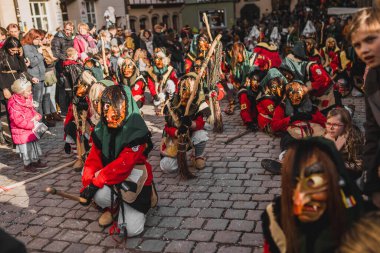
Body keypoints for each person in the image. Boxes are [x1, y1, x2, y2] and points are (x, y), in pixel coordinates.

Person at [261, 137, 364, 253]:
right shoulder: (276, 218)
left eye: (312, 184)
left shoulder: (358, 219)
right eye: (294, 183)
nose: (301, 198)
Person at [80, 84, 156, 236]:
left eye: (114, 115)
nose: (109, 119)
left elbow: (124, 164)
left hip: (132, 177)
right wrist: (88, 184)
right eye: (106, 114)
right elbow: (93, 159)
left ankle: (140, 203)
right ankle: (113, 206)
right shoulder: (103, 127)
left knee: (130, 230)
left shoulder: (136, 128)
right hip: (111, 174)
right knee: (97, 191)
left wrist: (97, 181)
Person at [348, 7, 380, 208]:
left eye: (370, 40)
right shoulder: (372, 79)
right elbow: (373, 130)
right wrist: (368, 177)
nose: (364, 50)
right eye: (357, 45)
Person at [160, 72, 211, 172]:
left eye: (190, 91)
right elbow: (167, 127)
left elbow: (200, 124)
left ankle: (197, 156)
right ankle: (177, 158)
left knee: (201, 134)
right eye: (184, 89)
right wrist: (177, 132)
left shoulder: (201, 104)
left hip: (190, 135)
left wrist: (190, 123)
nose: (186, 94)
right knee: (167, 167)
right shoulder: (171, 105)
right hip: (174, 138)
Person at [0, 37, 38, 145]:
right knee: (12, 114)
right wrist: (4, 88)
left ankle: (25, 136)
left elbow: (23, 69)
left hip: (17, 84)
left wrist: (21, 56)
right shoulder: (1, 54)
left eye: (16, 50)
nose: (14, 52)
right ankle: (15, 141)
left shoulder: (18, 54)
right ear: (7, 47)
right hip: (5, 84)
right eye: (12, 50)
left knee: (23, 111)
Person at [8, 78, 48, 173]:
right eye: (28, 91)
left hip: (30, 129)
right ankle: (27, 164)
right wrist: (31, 125)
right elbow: (17, 121)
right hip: (22, 131)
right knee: (26, 149)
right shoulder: (14, 104)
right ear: (21, 92)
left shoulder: (27, 98)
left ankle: (35, 161)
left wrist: (36, 116)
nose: (30, 92)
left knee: (34, 146)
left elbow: (31, 110)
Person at [64, 71, 96, 170]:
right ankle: (79, 157)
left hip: (91, 127)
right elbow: (70, 116)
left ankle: (90, 157)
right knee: (71, 128)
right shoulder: (76, 98)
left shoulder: (94, 94)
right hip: (81, 128)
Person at [324, 107, 363, 180]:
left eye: (336, 125)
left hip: (349, 172)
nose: (331, 128)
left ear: (346, 125)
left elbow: (359, 166)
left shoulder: (353, 138)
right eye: (328, 123)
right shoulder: (328, 133)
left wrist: (340, 163)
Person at [21, 29, 48, 122]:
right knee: (36, 101)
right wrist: (40, 54)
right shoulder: (27, 47)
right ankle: (37, 122)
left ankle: (41, 120)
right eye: (37, 39)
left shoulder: (34, 46)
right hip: (34, 76)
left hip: (40, 76)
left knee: (39, 100)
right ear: (31, 38)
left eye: (40, 39)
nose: (39, 41)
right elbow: (32, 62)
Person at [51, 21, 75, 116]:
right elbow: (55, 53)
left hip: (70, 64)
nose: (68, 31)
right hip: (60, 66)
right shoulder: (57, 39)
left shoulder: (71, 37)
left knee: (70, 88)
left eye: (70, 29)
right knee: (62, 89)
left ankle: (70, 109)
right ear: (64, 29)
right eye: (67, 29)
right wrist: (67, 58)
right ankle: (64, 111)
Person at [40, 32, 62, 122]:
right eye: (46, 38)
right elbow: (48, 62)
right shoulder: (42, 49)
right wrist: (53, 59)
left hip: (52, 72)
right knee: (47, 95)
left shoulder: (49, 47)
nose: (48, 39)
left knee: (52, 94)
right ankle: (48, 114)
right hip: (47, 73)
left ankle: (54, 112)